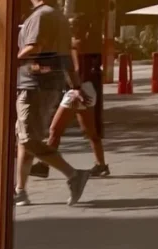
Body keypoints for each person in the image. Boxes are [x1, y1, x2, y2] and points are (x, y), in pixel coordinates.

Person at [14, 0, 90, 206]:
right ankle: (20, 190)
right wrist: (75, 85)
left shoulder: (41, 15)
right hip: (49, 85)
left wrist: (9, 60)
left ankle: (73, 174)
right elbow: (66, 56)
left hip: (32, 84)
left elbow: (33, 47)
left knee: (27, 137)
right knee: (28, 136)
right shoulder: (59, 17)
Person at [43, 15, 110, 176]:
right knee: (90, 132)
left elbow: (74, 68)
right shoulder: (88, 44)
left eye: (72, 26)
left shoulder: (74, 44)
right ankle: (101, 164)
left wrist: (74, 87)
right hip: (87, 88)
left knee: (55, 130)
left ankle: (43, 165)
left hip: (77, 90)